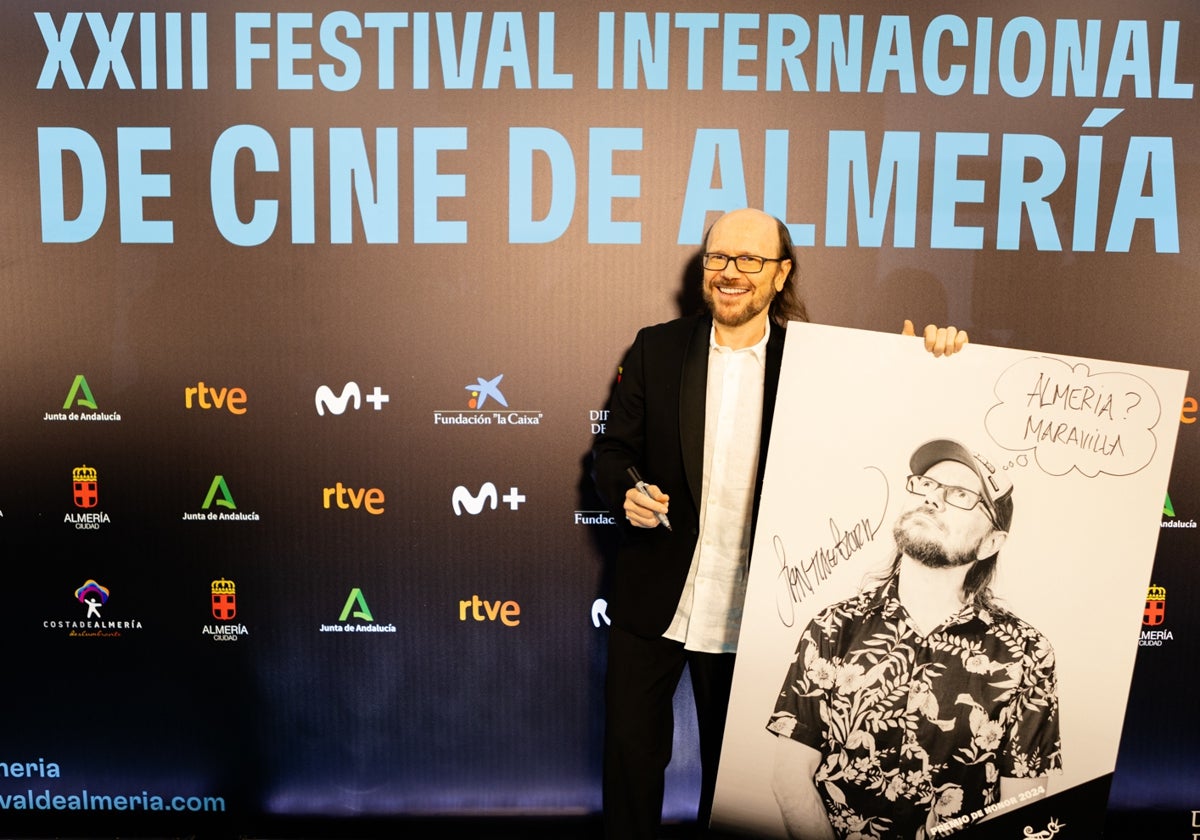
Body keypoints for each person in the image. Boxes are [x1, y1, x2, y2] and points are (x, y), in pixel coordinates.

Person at [590, 207, 967, 840]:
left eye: (749, 260)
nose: (730, 272)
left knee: (735, 784)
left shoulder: (818, 361)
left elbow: (882, 439)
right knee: (630, 766)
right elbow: (612, 456)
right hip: (656, 597)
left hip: (761, 611)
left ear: (780, 272)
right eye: (717, 258)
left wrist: (930, 362)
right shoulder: (657, 347)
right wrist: (628, 492)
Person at [767, 438, 1063, 840]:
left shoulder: (1028, 653)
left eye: (960, 494)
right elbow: (789, 775)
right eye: (927, 485)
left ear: (991, 543)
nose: (933, 499)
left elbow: (1022, 802)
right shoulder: (833, 628)